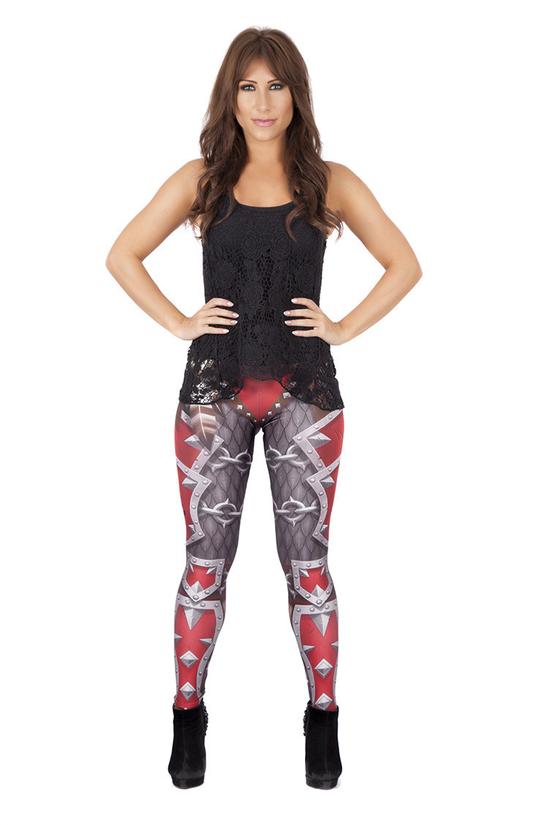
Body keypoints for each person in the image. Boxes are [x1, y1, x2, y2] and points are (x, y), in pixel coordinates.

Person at [105, 27, 422, 791]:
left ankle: (323, 715)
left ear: (295, 94)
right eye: (247, 86)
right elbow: (122, 254)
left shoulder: (330, 183)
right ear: (230, 97)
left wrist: (342, 326)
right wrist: (180, 320)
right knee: (204, 562)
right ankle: (187, 713)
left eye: (275, 85)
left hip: (305, 392)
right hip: (213, 393)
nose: (262, 101)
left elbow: (404, 263)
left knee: (307, 563)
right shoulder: (203, 179)